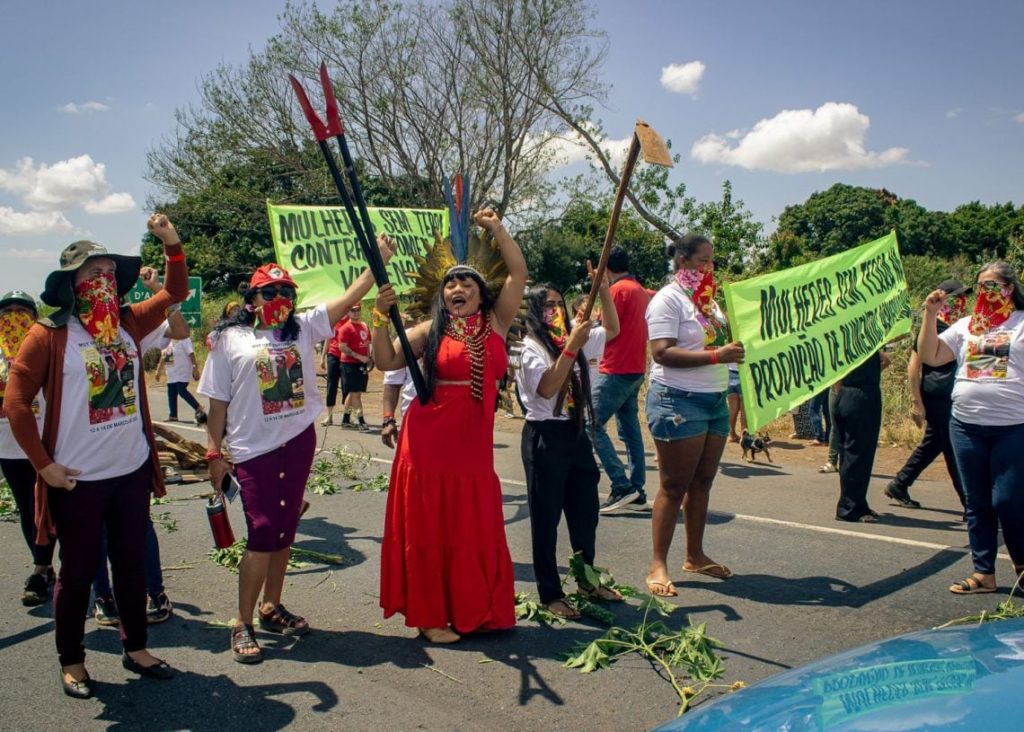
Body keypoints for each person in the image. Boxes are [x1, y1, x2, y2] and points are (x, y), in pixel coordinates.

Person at [6, 214, 186, 698]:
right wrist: (44, 465)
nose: (103, 282)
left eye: (109, 274)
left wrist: (171, 243)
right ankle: (73, 660)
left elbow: (173, 294)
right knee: (80, 572)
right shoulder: (49, 335)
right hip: (77, 481)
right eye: (93, 275)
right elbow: (16, 403)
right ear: (71, 285)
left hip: (129, 473)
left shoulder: (127, 321)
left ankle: (137, 648)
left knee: (131, 564)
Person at [199, 240, 394, 663]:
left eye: (286, 292)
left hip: (298, 443)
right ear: (252, 300)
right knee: (262, 532)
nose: (279, 300)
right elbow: (217, 401)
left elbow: (352, 294)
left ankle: (272, 606)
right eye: (269, 293)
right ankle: (243, 622)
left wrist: (378, 259)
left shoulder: (303, 328)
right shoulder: (229, 340)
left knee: (285, 529)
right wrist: (214, 453)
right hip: (253, 450)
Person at [372, 207, 526, 644]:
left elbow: (518, 271)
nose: (457, 288)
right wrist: (380, 317)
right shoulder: (428, 328)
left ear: (481, 292)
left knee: (470, 527)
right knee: (430, 526)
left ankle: (475, 608)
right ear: (442, 295)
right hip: (428, 442)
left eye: (466, 282)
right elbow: (385, 361)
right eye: (450, 284)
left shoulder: (498, 322)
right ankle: (430, 616)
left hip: (473, 448)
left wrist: (496, 228)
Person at [644, 234, 744, 597]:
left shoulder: (709, 302)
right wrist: (719, 357)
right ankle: (658, 564)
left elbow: (724, 343)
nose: (709, 267)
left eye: (710, 261)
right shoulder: (667, 300)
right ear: (682, 261)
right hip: (678, 401)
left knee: (702, 483)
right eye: (703, 260)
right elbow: (662, 353)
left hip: (714, 400)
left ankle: (695, 556)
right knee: (674, 486)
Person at [517, 276, 622, 618]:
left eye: (559, 304)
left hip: (575, 434)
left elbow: (613, 330)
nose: (556, 310)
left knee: (585, 512)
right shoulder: (530, 348)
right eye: (548, 305)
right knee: (545, 519)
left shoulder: (570, 337)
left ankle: (587, 579)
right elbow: (547, 388)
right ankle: (550, 593)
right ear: (534, 311)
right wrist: (571, 348)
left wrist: (604, 291)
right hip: (545, 436)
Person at [918, 261, 1024, 595]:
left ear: (1010, 288)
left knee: (1008, 500)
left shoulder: (1022, 324)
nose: (986, 292)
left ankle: (1021, 564)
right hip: (965, 426)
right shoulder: (967, 326)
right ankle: (983, 574)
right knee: (976, 502)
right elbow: (931, 355)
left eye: (993, 285)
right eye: (981, 286)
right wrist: (930, 315)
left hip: (1013, 427)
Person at [885, 279, 969, 511]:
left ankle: (900, 484)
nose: (963, 301)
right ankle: (970, 503)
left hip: (949, 397)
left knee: (934, 444)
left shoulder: (959, 326)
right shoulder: (933, 328)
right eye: (958, 297)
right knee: (953, 449)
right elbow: (914, 367)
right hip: (937, 397)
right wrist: (916, 402)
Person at [0, 290, 54, 606]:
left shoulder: (45, 346)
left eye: (21, 309)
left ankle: (44, 567)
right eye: (7, 310)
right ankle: (42, 567)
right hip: (8, 444)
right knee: (27, 508)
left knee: (51, 507)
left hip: (46, 440)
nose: (14, 315)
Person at [592, 246, 651, 513]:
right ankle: (637, 488)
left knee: (590, 422)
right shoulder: (640, 290)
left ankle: (621, 485)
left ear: (606, 267)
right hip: (636, 366)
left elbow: (609, 330)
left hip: (616, 366)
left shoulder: (616, 291)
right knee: (630, 432)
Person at [833, 349, 890, 522]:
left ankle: (855, 503)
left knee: (848, 455)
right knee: (859, 455)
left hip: (845, 394)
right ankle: (850, 508)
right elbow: (887, 360)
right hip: (862, 395)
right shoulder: (869, 342)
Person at [335, 303, 372, 431]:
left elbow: (368, 343)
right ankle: (360, 420)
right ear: (348, 312)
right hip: (349, 364)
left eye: (358, 310)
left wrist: (369, 359)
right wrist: (359, 356)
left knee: (353, 393)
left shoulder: (364, 326)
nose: (356, 312)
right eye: (353, 310)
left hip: (362, 364)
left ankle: (345, 419)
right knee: (356, 394)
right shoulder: (345, 328)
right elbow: (342, 347)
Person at [319, 312, 349, 426]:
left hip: (347, 357)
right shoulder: (334, 320)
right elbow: (328, 339)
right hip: (333, 355)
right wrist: (322, 357)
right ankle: (329, 416)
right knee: (331, 385)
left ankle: (347, 416)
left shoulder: (351, 322)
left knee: (347, 387)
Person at [726, 363, 746, 443]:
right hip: (743, 372)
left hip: (729, 374)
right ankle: (744, 436)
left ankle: (731, 435)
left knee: (732, 409)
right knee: (745, 409)